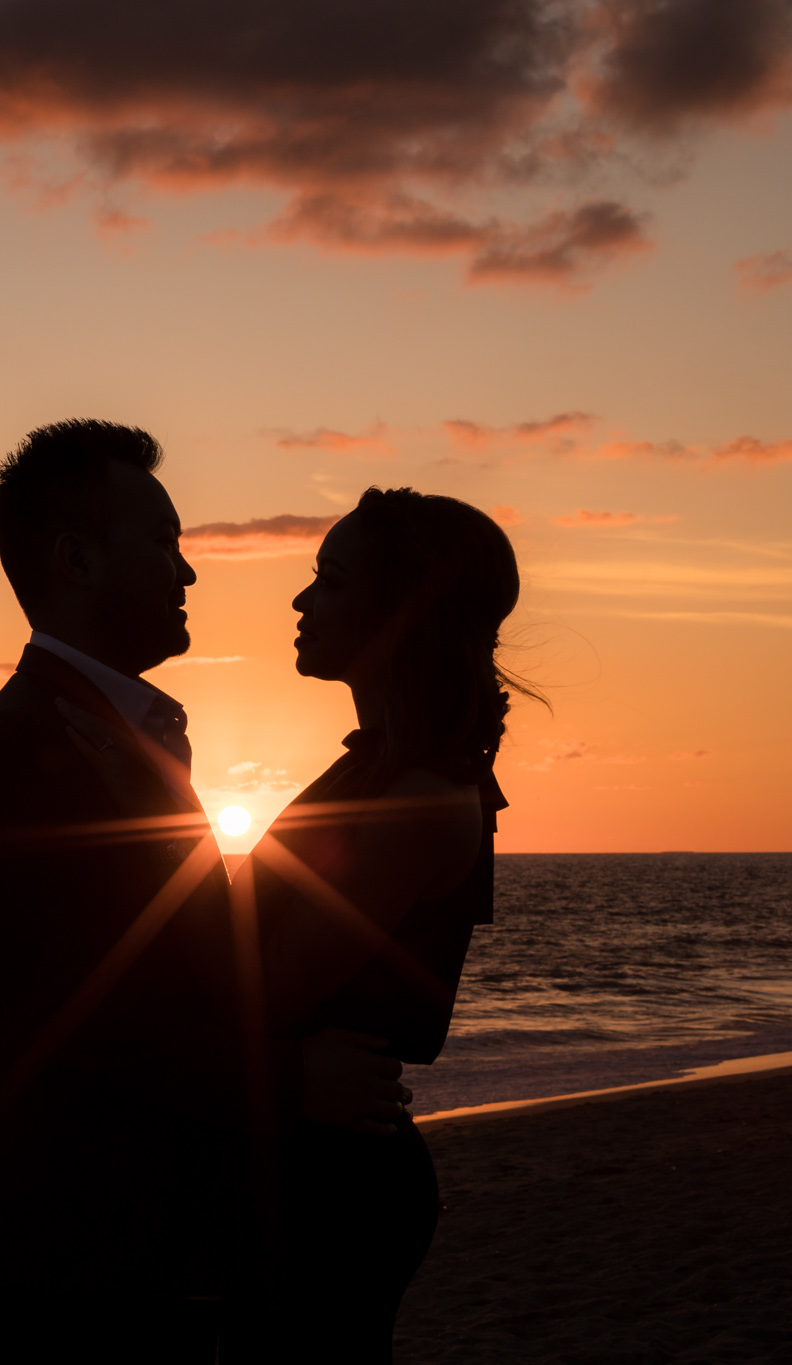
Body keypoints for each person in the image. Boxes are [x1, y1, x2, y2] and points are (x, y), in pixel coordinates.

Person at [0, 421, 405, 1362]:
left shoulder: (111, 733)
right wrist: (294, 1077)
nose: (187, 574)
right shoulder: (35, 747)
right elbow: (74, 1024)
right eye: (162, 544)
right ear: (76, 560)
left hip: (130, 1231)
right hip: (83, 1246)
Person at [224, 487, 531, 1361]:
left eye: (330, 580)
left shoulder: (420, 801)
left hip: (334, 1181)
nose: (301, 601)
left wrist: (283, 1071)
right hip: (297, 1157)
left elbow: (262, 983)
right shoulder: (378, 770)